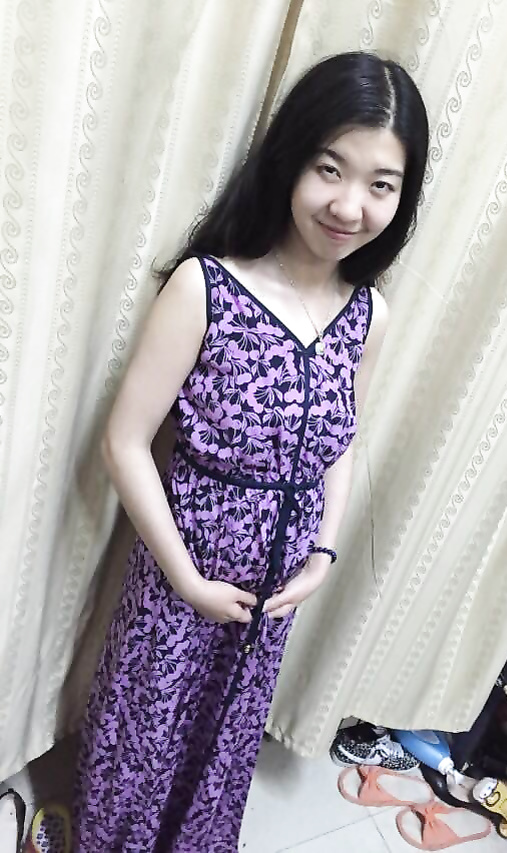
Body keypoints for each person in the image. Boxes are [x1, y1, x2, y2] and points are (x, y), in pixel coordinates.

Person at [73, 50, 429, 852]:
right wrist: (186, 580)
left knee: (224, 739)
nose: (350, 205)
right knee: (145, 738)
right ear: (290, 160)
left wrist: (323, 554)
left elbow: (341, 442)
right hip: (179, 583)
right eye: (330, 168)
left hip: (272, 600)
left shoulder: (367, 315)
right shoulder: (207, 287)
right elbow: (124, 442)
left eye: (381, 184)